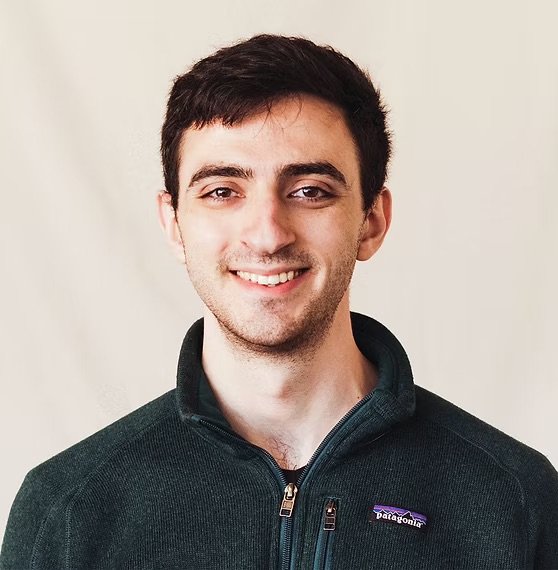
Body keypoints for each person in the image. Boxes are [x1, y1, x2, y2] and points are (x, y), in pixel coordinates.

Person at [1, 34, 557, 569]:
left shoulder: (515, 501)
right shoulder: (68, 511)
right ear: (173, 224)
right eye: (222, 191)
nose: (267, 235)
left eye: (309, 191)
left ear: (371, 220)